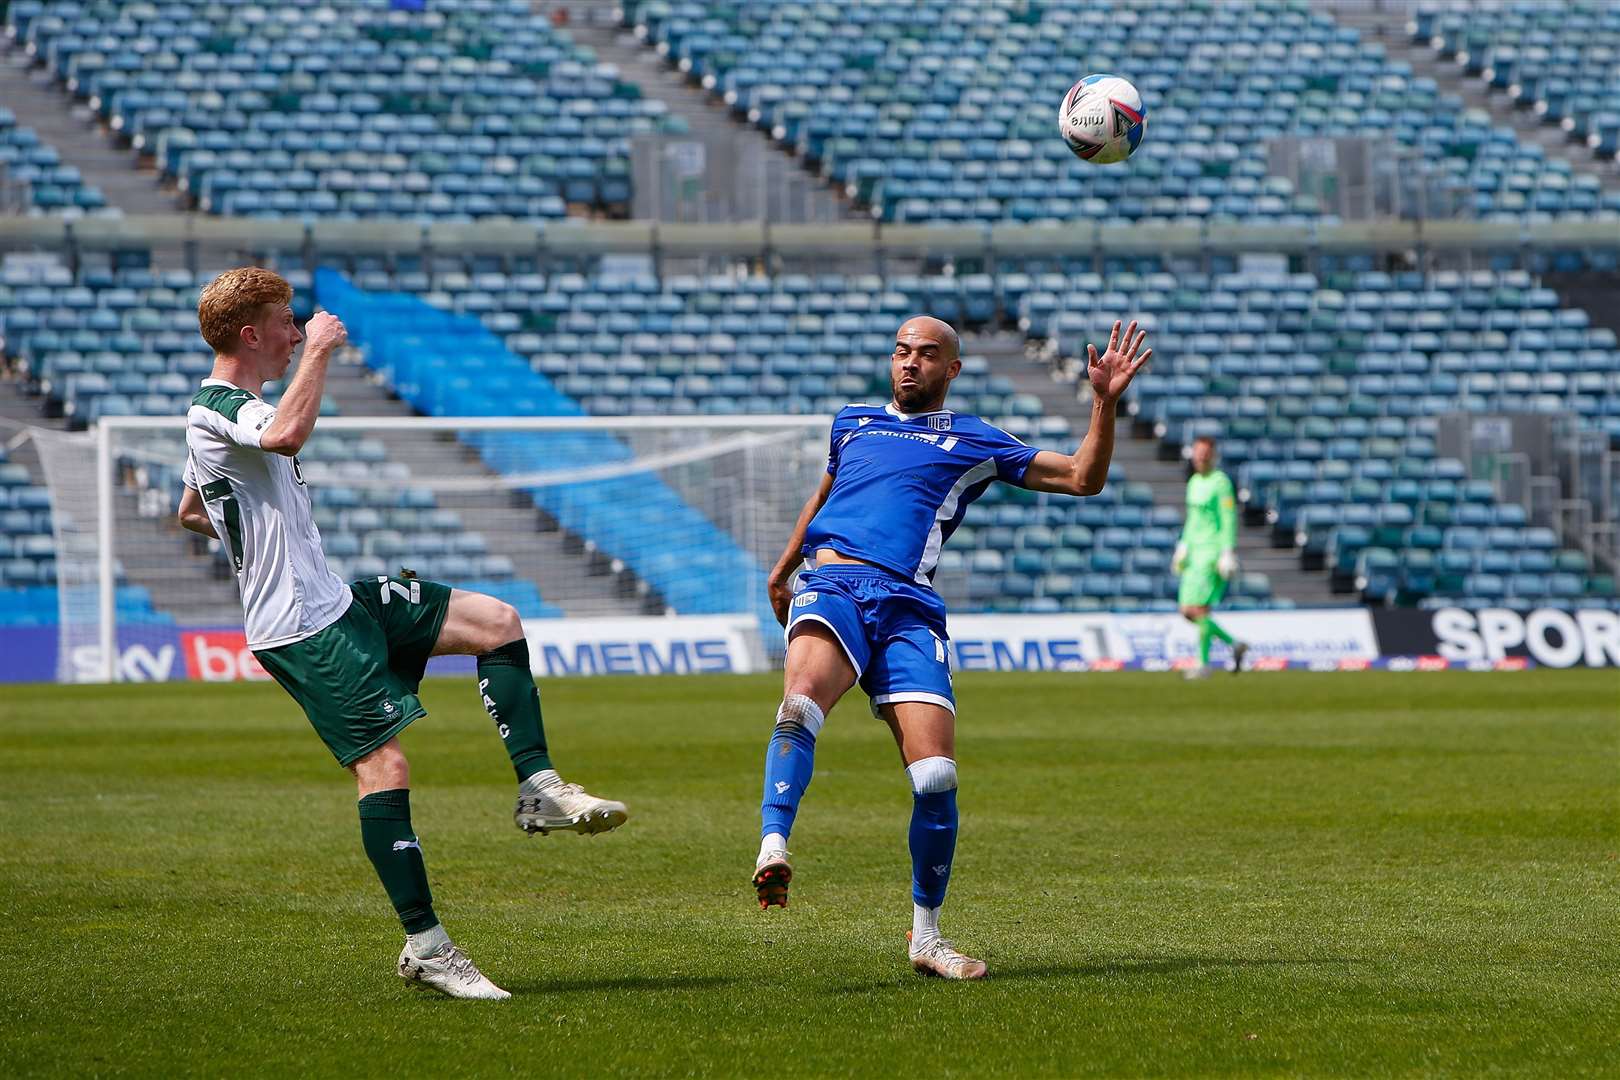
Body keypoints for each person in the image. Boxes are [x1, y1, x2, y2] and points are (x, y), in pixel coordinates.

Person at [177, 267, 626, 1000]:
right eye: (287, 323)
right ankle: (428, 947)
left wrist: (242, 521)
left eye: (302, 325)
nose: (298, 333)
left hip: (334, 599)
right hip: (300, 626)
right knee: (384, 769)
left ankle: (539, 788)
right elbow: (286, 435)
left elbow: (191, 508)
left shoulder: (224, 416)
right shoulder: (223, 404)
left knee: (497, 623)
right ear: (251, 334)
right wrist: (322, 349)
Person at [752, 315, 1151, 979]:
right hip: (836, 584)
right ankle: (773, 845)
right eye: (901, 352)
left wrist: (1104, 403)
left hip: (910, 607)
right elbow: (827, 491)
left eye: (926, 355)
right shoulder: (850, 422)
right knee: (799, 707)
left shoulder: (972, 439)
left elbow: (1084, 477)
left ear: (952, 369)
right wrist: (783, 567)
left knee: (936, 778)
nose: (909, 363)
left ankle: (926, 938)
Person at [1171, 434, 1248, 678]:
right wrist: (1183, 545)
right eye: (1198, 453)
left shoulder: (1221, 482)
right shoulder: (1194, 482)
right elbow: (1193, 519)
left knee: (1198, 609)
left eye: (1205, 453)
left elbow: (1228, 518)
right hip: (1194, 553)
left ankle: (1203, 664)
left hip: (1212, 552)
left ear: (1213, 456)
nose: (1201, 457)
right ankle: (1234, 644)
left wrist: (1227, 551)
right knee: (1187, 610)